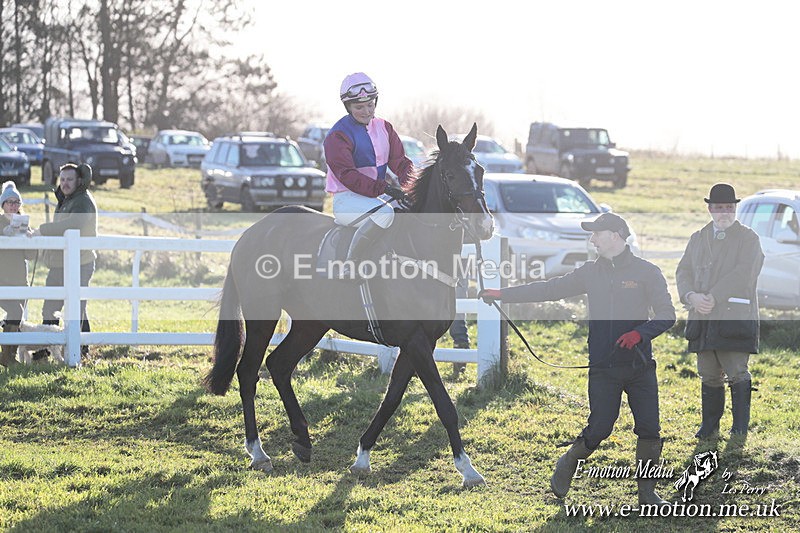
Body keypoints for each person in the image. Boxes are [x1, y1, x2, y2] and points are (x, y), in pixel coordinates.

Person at [479, 213, 676, 504]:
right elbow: (549, 289)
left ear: (616, 235)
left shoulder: (647, 272)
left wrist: (640, 333)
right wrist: (502, 294)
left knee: (650, 429)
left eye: (597, 233)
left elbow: (667, 315)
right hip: (603, 367)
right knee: (599, 429)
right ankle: (570, 460)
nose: (592, 239)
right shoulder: (589, 272)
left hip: (640, 367)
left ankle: (647, 493)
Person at [675, 183, 763, 440]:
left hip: (734, 317)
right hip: (702, 317)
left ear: (734, 209)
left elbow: (745, 273)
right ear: (710, 209)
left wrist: (713, 296)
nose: (724, 212)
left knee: (737, 371)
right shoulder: (698, 237)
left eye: (728, 207)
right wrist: (691, 296)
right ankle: (710, 426)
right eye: (718, 207)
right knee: (709, 373)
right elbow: (683, 272)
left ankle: (739, 429)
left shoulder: (749, 238)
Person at [323, 72, 414, 278]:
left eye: (370, 105)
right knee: (385, 214)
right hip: (347, 200)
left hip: (376, 197)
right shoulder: (337, 136)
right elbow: (348, 176)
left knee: (411, 212)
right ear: (348, 107)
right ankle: (351, 264)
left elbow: (400, 163)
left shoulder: (385, 127)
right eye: (359, 107)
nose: (366, 111)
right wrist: (385, 189)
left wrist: (413, 187)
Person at [34, 163, 98, 358]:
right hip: (60, 263)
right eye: (62, 179)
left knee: (75, 306)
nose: (65, 183)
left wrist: (42, 230)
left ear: (79, 180)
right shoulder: (67, 199)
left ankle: (78, 347)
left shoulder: (82, 201)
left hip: (79, 262)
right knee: (51, 306)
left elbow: (75, 225)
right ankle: (46, 348)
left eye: (69, 179)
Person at [0, 181, 35, 366]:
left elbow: (30, 255)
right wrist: (5, 234)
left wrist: (29, 239)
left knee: (16, 317)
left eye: (16, 202)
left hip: (20, 280)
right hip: (2, 280)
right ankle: (7, 357)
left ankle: (8, 355)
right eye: (9, 202)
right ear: (3, 204)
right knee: (15, 311)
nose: (13, 205)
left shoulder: (24, 224)